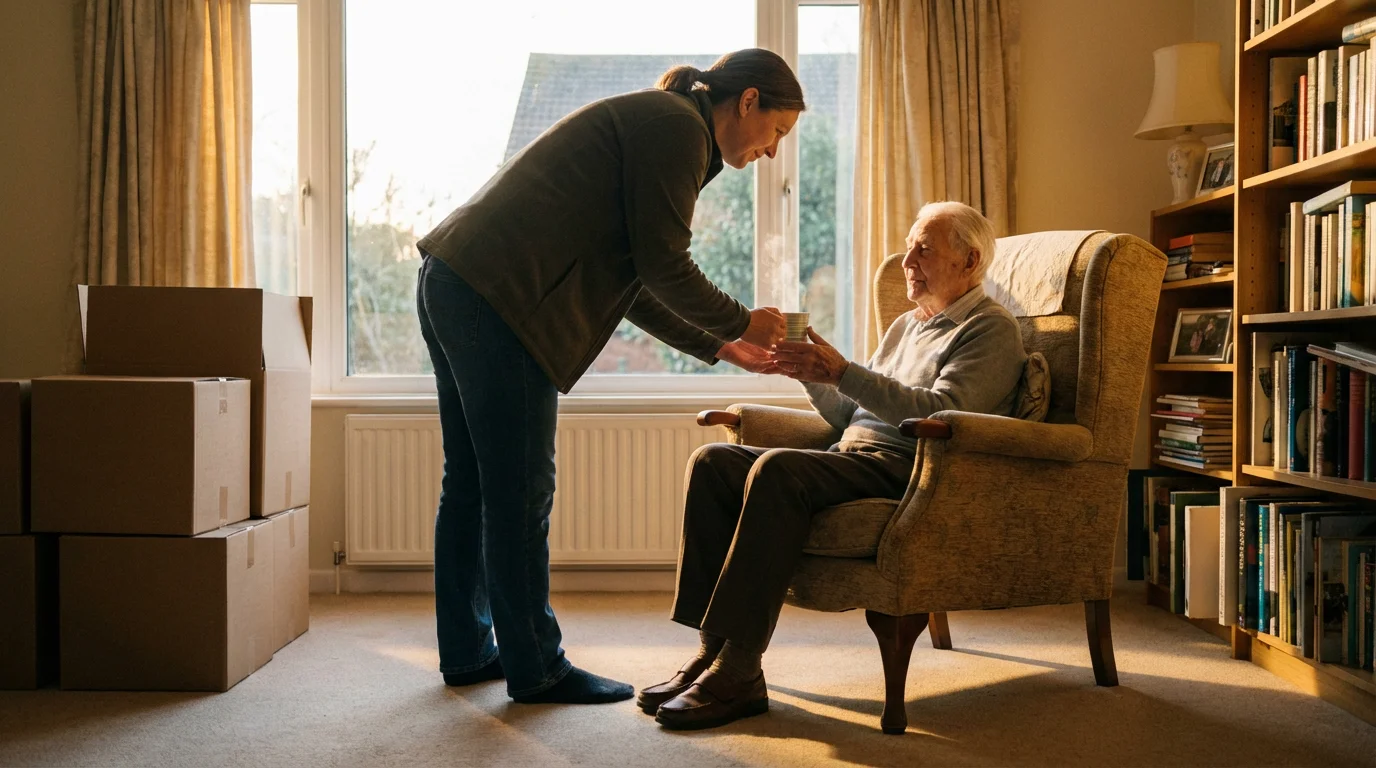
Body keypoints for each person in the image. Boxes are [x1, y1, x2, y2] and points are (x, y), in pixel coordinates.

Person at [414, 49, 804, 706]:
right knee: (521, 491)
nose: (773, 152)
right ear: (748, 101)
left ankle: (468, 649)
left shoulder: (666, 125)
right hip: (502, 299)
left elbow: (636, 283)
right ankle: (536, 667)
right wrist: (746, 323)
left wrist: (722, 346)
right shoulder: (679, 130)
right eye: (778, 131)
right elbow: (664, 267)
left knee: (476, 483)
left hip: (458, 280)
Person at [639, 201, 1029, 729]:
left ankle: (741, 669)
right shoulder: (907, 328)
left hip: (909, 470)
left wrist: (843, 370)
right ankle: (712, 653)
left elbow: (939, 414)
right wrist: (810, 373)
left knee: (777, 470)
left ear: (970, 259)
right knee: (714, 462)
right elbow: (853, 412)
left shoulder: (990, 331)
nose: (907, 258)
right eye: (910, 244)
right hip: (851, 456)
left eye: (924, 248)